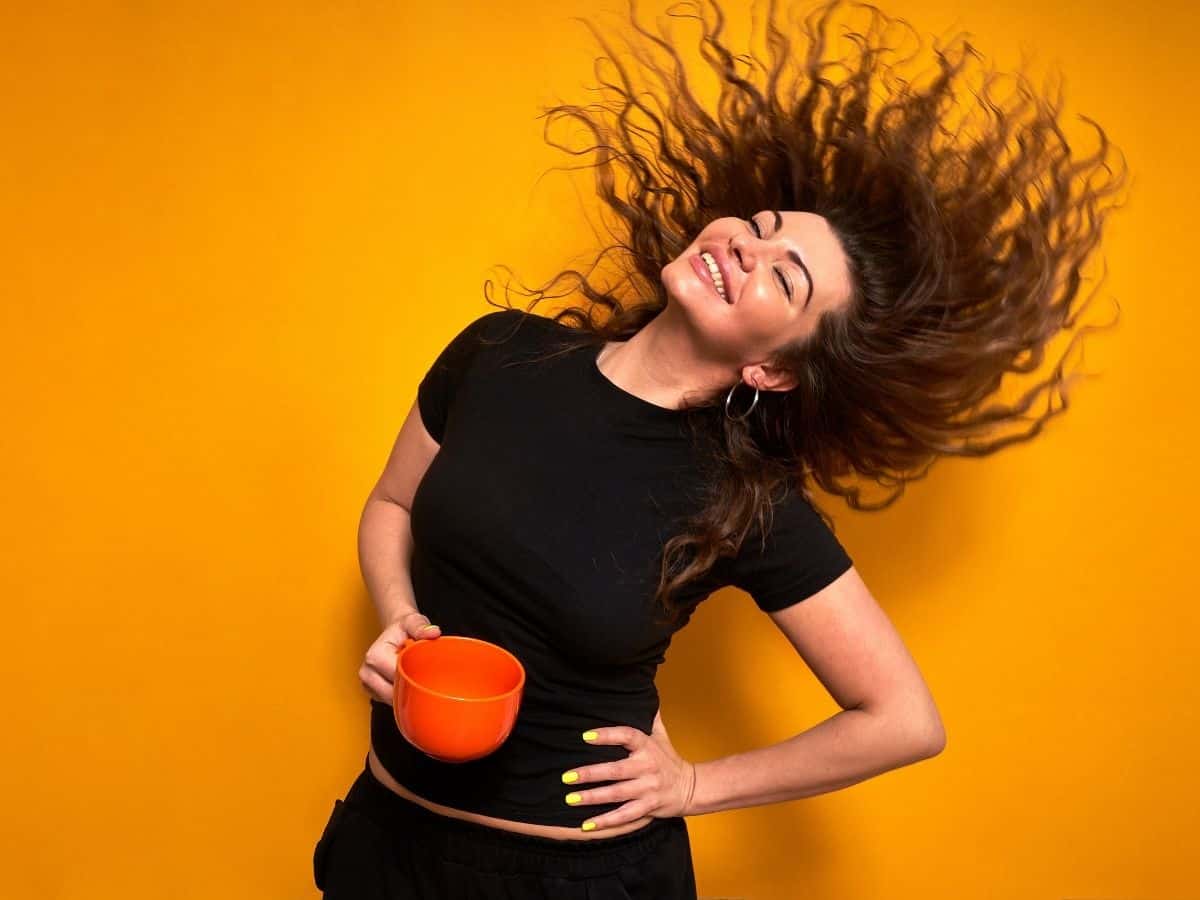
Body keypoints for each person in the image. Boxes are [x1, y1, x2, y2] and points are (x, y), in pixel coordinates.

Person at [311, 0, 1127, 896]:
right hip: (383, 845)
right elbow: (392, 504)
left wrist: (693, 786)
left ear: (777, 369)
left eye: (785, 274)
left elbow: (903, 720)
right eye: (764, 225)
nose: (746, 246)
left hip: (573, 880)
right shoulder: (499, 352)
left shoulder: (747, 498)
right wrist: (398, 617)